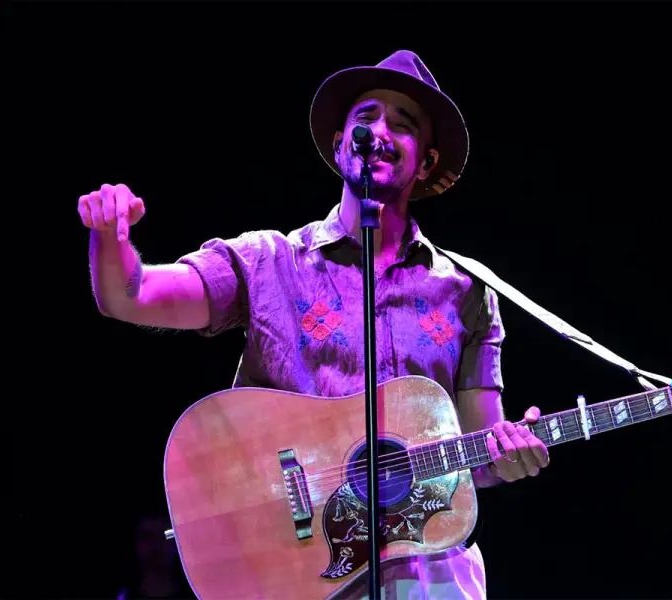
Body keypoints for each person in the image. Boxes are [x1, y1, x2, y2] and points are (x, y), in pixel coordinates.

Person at [79, 50, 550, 599]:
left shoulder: (467, 292)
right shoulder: (268, 262)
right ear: (338, 143)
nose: (379, 131)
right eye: (366, 117)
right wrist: (109, 237)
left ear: (424, 163)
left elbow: (478, 452)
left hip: (428, 569)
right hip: (296, 567)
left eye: (402, 125)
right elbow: (131, 295)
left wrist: (509, 456)